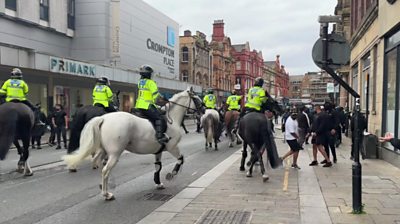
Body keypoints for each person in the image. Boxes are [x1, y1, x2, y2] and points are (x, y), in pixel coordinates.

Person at [135, 65, 169, 144]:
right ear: (148, 74)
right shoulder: (151, 82)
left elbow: (149, 92)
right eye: (150, 74)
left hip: (139, 104)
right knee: (159, 118)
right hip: (147, 105)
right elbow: (155, 95)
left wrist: (161, 96)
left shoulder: (140, 82)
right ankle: (160, 137)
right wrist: (161, 100)